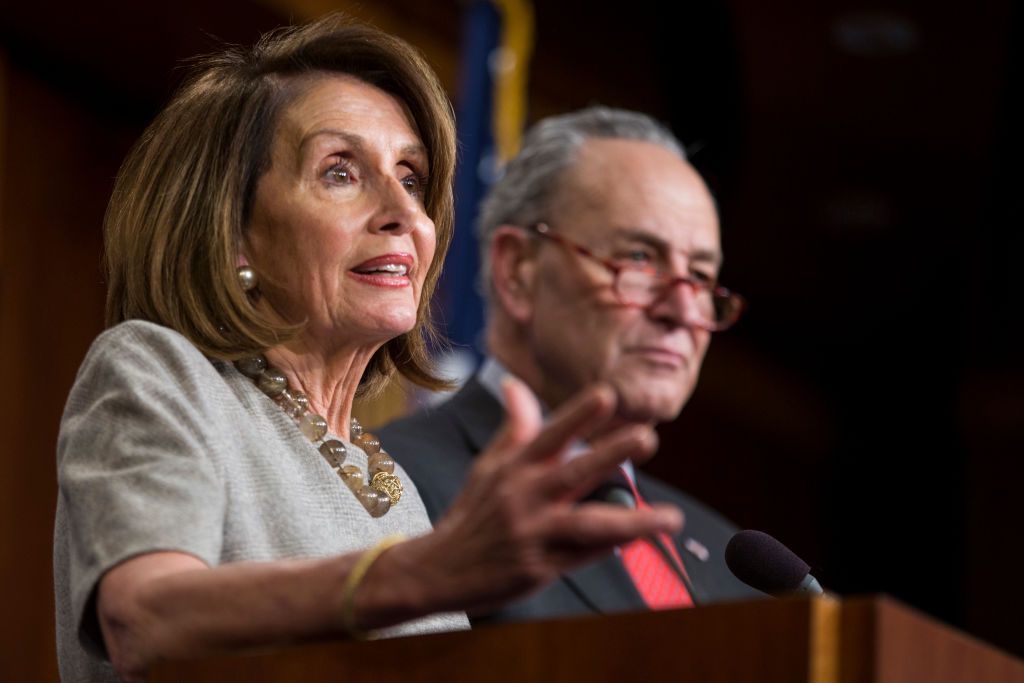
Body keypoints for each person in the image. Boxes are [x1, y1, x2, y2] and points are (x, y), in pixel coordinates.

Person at [53, 19, 685, 682]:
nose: (402, 213)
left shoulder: (391, 485)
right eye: (340, 172)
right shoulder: (159, 373)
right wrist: (424, 572)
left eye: (411, 178)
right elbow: (145, 616)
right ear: (234, 233)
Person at [380, 106, 763, 624]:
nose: (682, 311)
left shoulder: (735, 559)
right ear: (518, 270)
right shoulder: (395, 486)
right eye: (639, 260)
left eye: (699, 276)